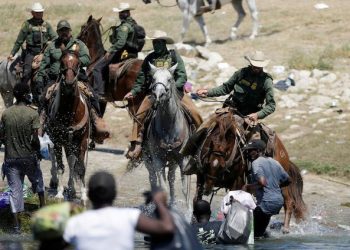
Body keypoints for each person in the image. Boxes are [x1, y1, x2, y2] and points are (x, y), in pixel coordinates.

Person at [124, 30, 203, 159]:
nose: (156, 45)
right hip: (153, 94)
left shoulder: (174, 56)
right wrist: (133, 92)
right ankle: (136, 144)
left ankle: (199, 142)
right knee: (139, 115)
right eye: (154, 42)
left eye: (159, 42)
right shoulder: (149, 58)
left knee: (195, 112)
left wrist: (173, 87)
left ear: (164, 43)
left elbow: (182, 75)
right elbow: (141, 78)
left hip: (175, 94)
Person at [36, 20, 110, 143]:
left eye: (66, 30)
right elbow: (44, 64)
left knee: (92, 95)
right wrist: (39, 78)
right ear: (58, 32)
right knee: (44, 97)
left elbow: (87, 58)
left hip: (76, 77)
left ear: (70, 31)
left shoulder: (78, 44)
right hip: (55, 79)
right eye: (61, 30)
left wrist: (73, 61)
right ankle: (42, 122)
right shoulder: (52, 46)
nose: (64, 32)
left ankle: (96, 121)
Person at [63, 171, 174, 250]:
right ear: (115, 194)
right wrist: (159, 202)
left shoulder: (76, 222)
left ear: (89, 195)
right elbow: (167, 227)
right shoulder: (129, 216)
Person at [196, 50, 275, 140]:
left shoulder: (267, 81)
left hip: (249, 117)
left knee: (255, 146)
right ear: (251, 63)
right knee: (204, 128)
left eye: (259, 66)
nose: (256, 68)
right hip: (231, 110)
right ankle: (187, 151)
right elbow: (225, 88)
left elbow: (271, 106)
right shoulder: (241, 73)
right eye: (255, 65)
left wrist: (258, 115)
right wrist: (208, 92)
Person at [0, 83, 45, 234]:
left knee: (15, 191)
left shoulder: (6, 113)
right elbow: (35, 140)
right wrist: (39, 151)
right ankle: (44, 210)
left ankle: (16, 226)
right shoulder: (32, 114)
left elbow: (2, 136)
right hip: (28, 158)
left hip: (11, 160)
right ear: (26, 96)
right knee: (38, 181)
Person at [242, 139, 291, 238]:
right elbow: (288, 180)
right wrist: (275, 186)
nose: (249, 152)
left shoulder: (256, 163)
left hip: (266, 203)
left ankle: (264, 233)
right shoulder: (275, 162)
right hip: (278, 202)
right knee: (259, 231)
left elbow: (262, 182)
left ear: (259, 150)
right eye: (248, 150)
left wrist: (247, 186)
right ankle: (270, 231)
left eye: (251, 150)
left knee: (252, 235)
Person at [93, 2, 139, 100]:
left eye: (121, 13)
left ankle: (99, 93)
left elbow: (121, 43)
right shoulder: (133, 24)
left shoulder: (124, 27)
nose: (120, 14)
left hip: (122, 53)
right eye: (120, 12)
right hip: (132, 53)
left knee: (97, 68)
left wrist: (110, 50)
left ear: (125, 13)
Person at [8, 2, 57, 85]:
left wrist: (51, 43)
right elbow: (19, 41)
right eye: (37, 12)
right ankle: (24, 92)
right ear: (32, 13)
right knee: (27, 73)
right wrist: (12, 53)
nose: (39, 14)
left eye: (41, 12)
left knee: (55, 68)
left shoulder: (46, 25)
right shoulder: (27, 24)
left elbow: (55, 37)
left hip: (44, 53)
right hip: (30, 53)